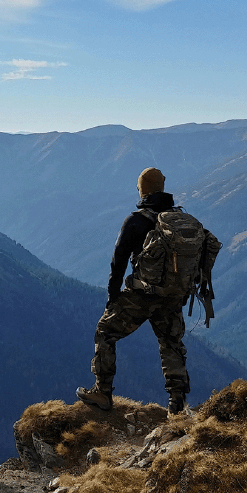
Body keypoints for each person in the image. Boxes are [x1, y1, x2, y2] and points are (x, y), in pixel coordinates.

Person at [76, 167, 209, 416]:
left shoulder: (136, 221)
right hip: (171, 296)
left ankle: (103, 391)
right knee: (171, 343)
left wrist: (112, 298)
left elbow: (119, 261)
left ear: (143, 189)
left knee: (105, 332)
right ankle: (177, 403)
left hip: (141, 295)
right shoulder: (178, 220)